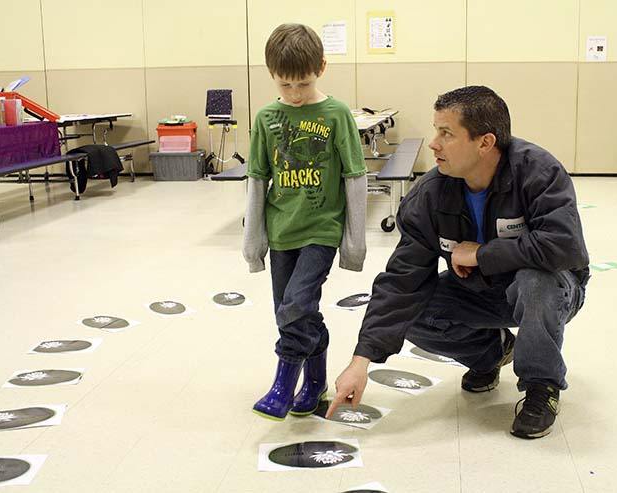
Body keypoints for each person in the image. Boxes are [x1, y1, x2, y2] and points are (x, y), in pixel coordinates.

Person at [327, 85, 589, 439]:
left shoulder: (538, 172)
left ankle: (541, 387)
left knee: (535, 281)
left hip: (552, 290)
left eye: (446, 133)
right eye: (437, 131)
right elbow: (403, 279)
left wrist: (481, 254)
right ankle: (490, 355)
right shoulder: (431, 195)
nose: (434, 143)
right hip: (480, 291)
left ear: (485, 142)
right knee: (415, 309)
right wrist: (361, 361)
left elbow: (564, 247)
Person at [244, 23, 368, 421]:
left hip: (321, 230)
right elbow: (257, 180)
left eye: (303, 83)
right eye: (285, 86)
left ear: (322, 68)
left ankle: (284, 383)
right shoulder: (266, 118)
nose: (295, 95)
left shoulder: (336, 114)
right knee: (293, 309)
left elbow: (355, 176)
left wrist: (353, 243)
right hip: (282, 232)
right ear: (271, 76)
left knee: (296, 304)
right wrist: (254, 243)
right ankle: (315, 383)